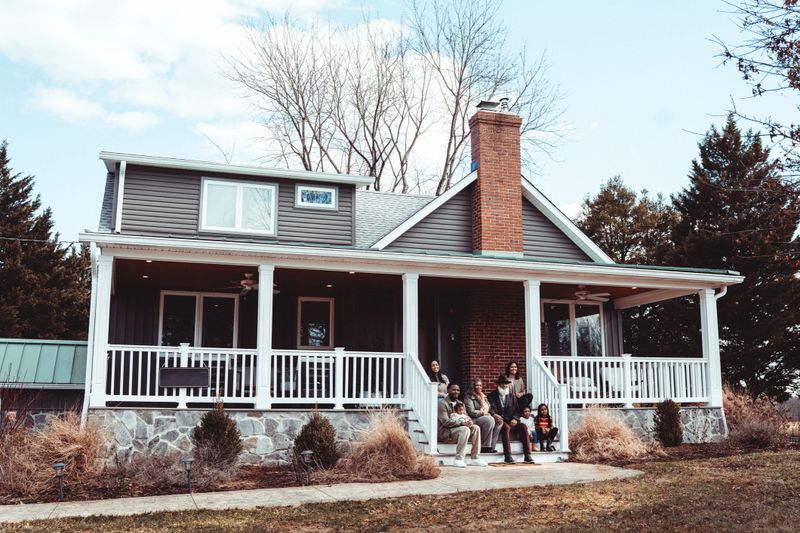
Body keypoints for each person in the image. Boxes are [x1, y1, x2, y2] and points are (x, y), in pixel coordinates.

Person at [487, 374, 534, 464]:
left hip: (512, 420)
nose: (504, 386)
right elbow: (490, 409)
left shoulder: (512, 397)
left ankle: (527, 455)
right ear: (498, 385)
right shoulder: (491, 396)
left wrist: (515, 419)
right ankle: (507, 455)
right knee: (506, 428)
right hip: (500, 421)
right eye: (502, 384)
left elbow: (517, 410)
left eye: (506, 384)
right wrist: (494, 415)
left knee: (523, 427)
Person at [437, 383, 486, 468]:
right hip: (446, 432)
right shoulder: (442, 404)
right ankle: (459, 459)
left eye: (458, 390)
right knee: (465, 429)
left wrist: (469, 422)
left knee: (476, 428)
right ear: (448, 391)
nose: (456, 391)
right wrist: (462, 423)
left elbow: (466, 417)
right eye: (454, 389)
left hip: (459, 430)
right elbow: (445, 422)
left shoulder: (460, 403)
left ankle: (475, 458)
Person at [464, 378, 502, 454]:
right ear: (473, 386)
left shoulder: (483, 396)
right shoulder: (468, 397)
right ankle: (484, 446)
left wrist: (494, 415)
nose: (479, 387)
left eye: (480, 385)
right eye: (477, 385)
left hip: (485, 417)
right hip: (474, 419)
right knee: (489, 420)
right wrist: (483, 413)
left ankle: (491, 446)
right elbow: (471, 412)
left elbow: (489, 409)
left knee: (499, 421)